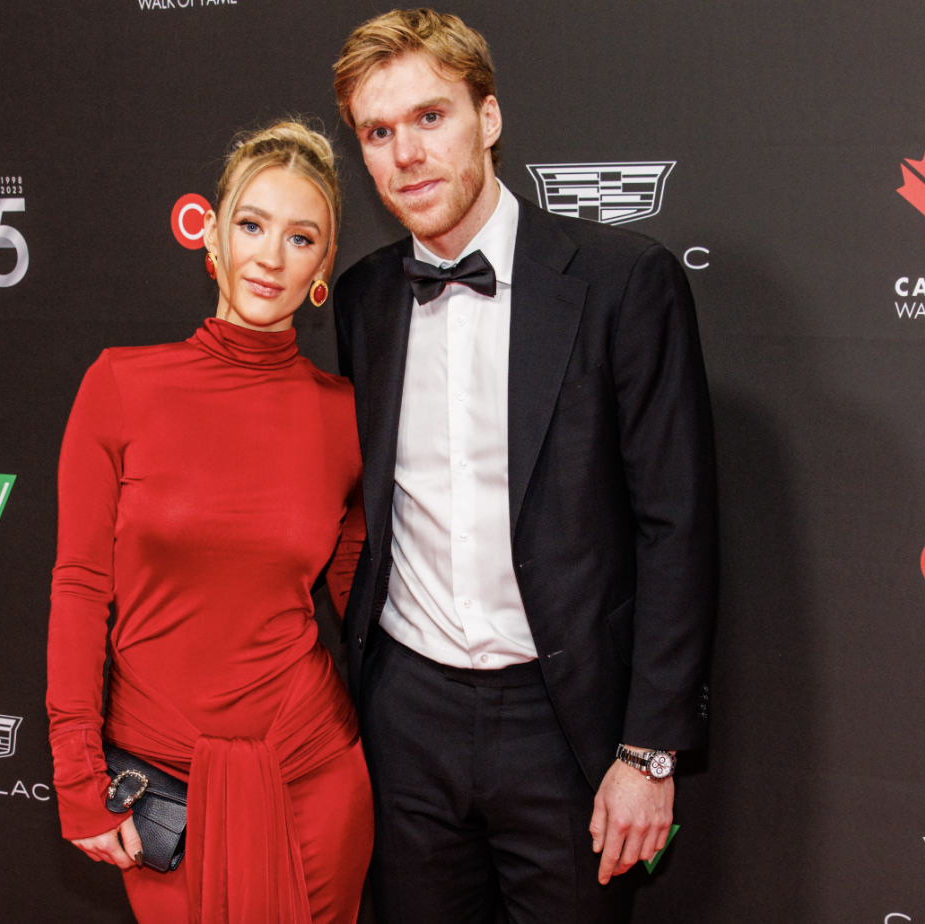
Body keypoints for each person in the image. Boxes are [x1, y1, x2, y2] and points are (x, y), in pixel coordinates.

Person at [331, 10, 717, 924]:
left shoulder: (625, 282)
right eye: (378, 133)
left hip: (564, 725)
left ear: (490, 118)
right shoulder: (363, 301)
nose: (407, 154)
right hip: (404, 717)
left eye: (431, 118)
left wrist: (649, 751)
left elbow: (678, 528)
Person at [46, 120, 373, 924]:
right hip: (166, 789)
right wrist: (77, 777)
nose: (272, 256)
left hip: (313, 772)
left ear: (322, 269)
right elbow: (81, 590)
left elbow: (370, 596)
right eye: (253, 225)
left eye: (302, 238)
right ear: (213, 239)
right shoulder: (120, 385)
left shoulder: (348, 419)